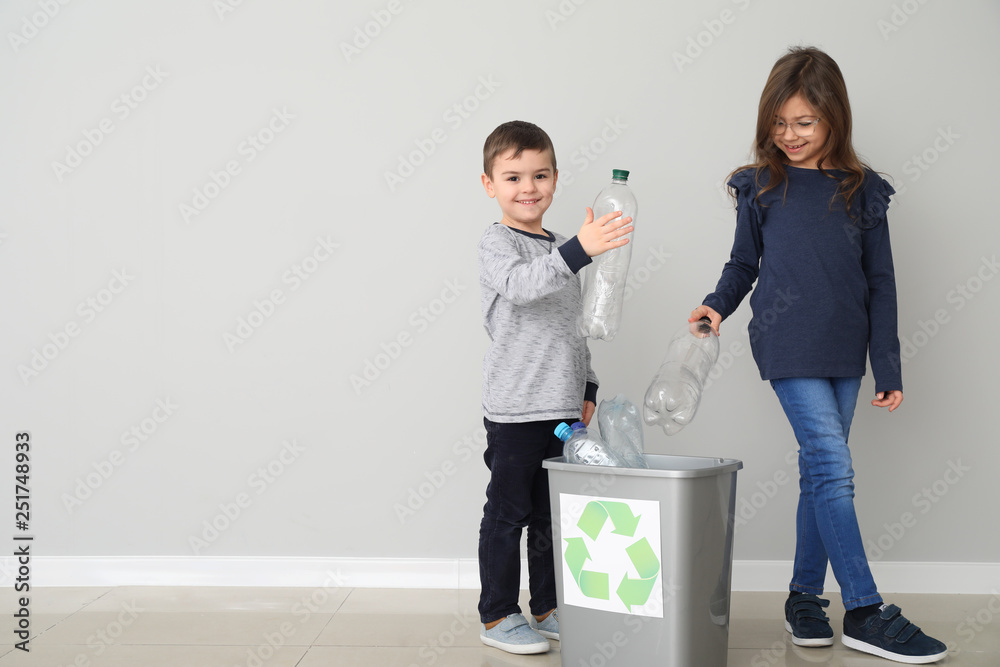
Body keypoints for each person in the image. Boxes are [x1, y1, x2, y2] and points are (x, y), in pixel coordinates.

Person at [689, 47, 947, 664]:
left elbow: (882, 282)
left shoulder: (863, 192)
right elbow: (742, 264)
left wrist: (888, 364)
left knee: (817, 471)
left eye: (804, 123)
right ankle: (864, 609)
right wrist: (715, 306)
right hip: (786, 342)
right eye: (779, 124)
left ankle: (804, 599)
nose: (790, 136)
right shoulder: (762, 186)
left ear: (835, 117)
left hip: (845, 349)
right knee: (833, 465)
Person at [476, 120, 632, 655]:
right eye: (513, 176)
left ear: (556, 179)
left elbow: (577, 323)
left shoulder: (566, 246)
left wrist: (588, 383)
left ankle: (546, 607)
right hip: (517, 408)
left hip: (563, 406)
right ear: (489, 185)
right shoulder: (498, 244)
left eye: (540, 175)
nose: (528, 188)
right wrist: (579, 252)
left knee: (550, 516)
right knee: (508, 513)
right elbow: (523, 288)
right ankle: (497, 615)